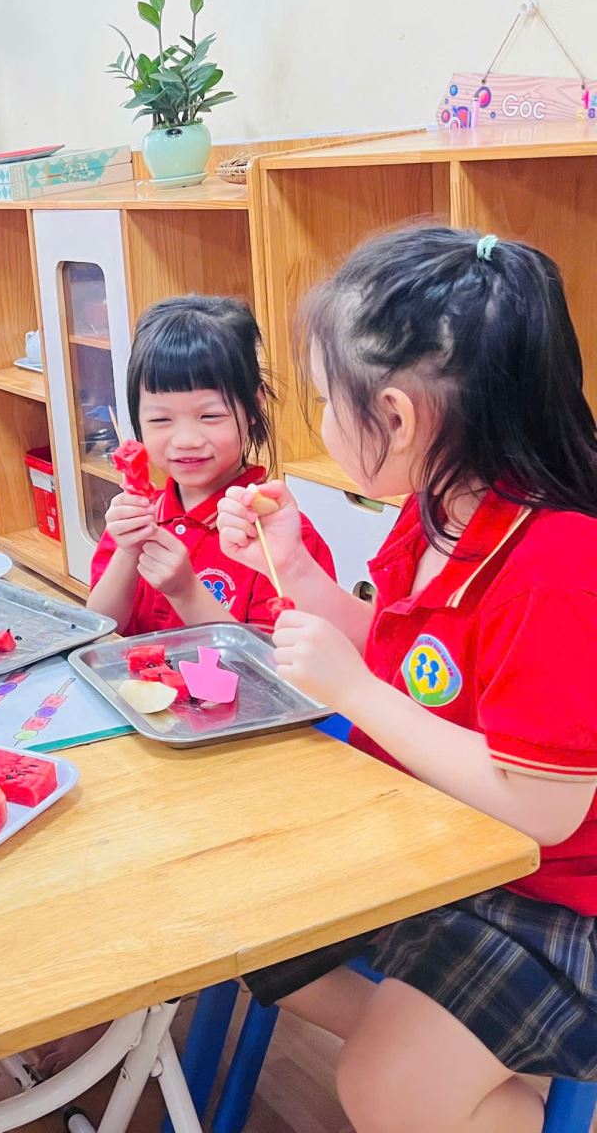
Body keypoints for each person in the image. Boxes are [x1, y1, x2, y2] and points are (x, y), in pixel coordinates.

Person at [216, 227, 597, 1133]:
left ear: (397, 415)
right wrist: (296, 573)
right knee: (240, 927)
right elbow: (410, 664)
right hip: (445, 844)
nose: (319, 421)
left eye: (325, 401)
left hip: (557, 899)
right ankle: (459, 1059)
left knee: (383, 1087)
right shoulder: (438, 508)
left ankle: (465, 1070)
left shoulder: (559, 563)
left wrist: (355, 692)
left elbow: (546, 808)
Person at [87, 295, 334, 634]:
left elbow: (276, 660)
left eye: (210, 416)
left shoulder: (280, 537)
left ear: (254, 406)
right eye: (160, 419)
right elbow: (100, 625)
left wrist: (186, 593)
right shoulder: (137, 515)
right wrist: (128, 553)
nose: (186, 439)